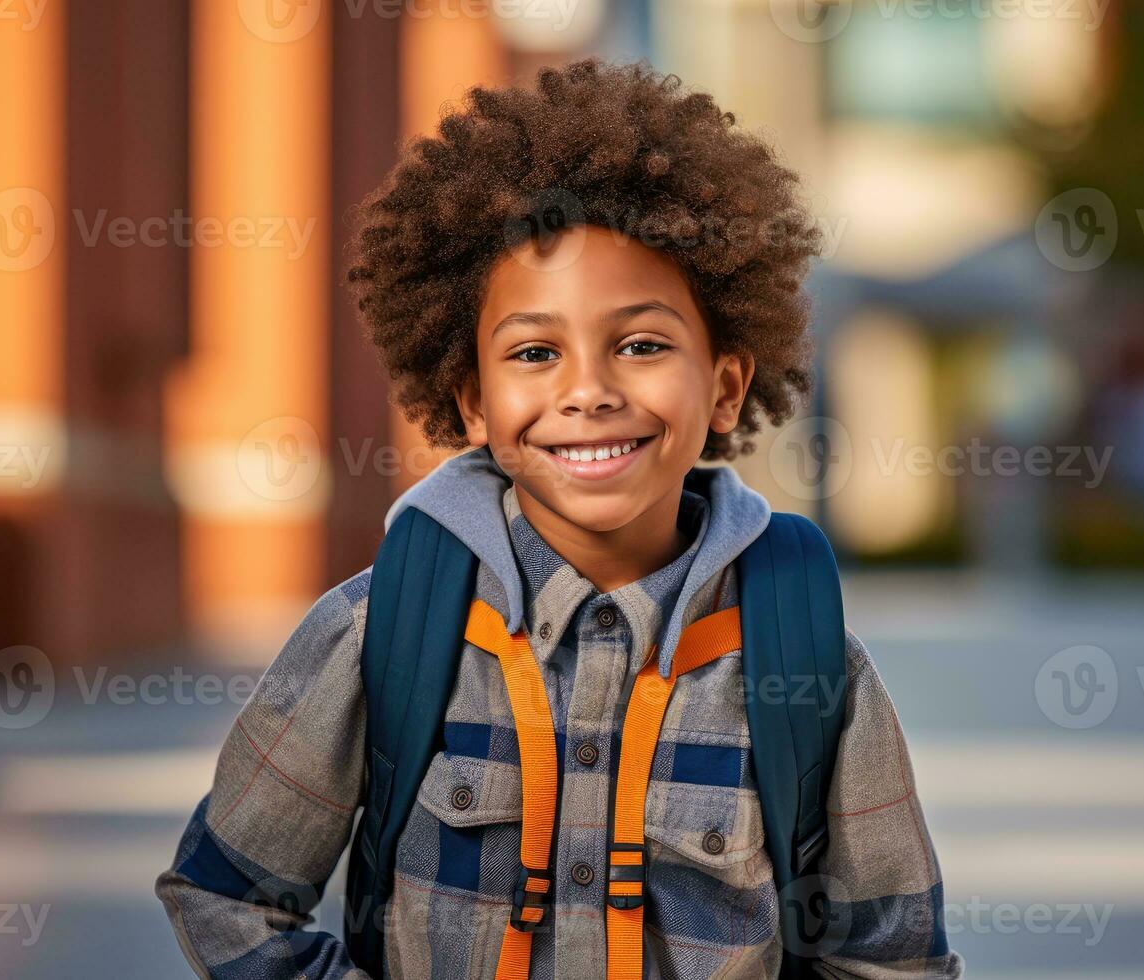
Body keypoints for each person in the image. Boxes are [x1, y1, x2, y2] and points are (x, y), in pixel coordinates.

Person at [157, 57, 962, 980]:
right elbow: (226, 895)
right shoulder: (384, 630)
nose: (587, 391)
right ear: (471, 403)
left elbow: (891, 961)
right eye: (536, 351)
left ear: (728, 387)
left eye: (643, 344)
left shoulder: (802, 655)